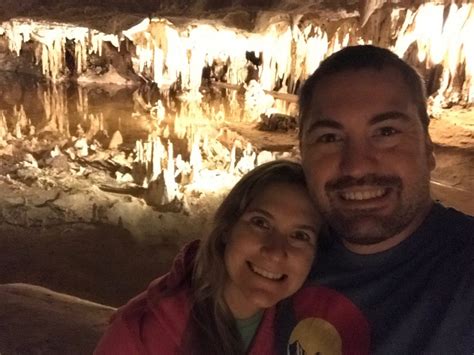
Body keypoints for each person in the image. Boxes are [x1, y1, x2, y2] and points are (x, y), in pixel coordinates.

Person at [290, 45, 474, 354]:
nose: (357, 165)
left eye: (386, 132)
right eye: (330, 138)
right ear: (302, 153)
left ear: (428, 147)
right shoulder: (280, 259)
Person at [95, 160, 368, 355]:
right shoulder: (141, 333)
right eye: (260, 223)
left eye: (300, 236)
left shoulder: (309, 328)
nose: (274, 251)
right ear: (227, 228)